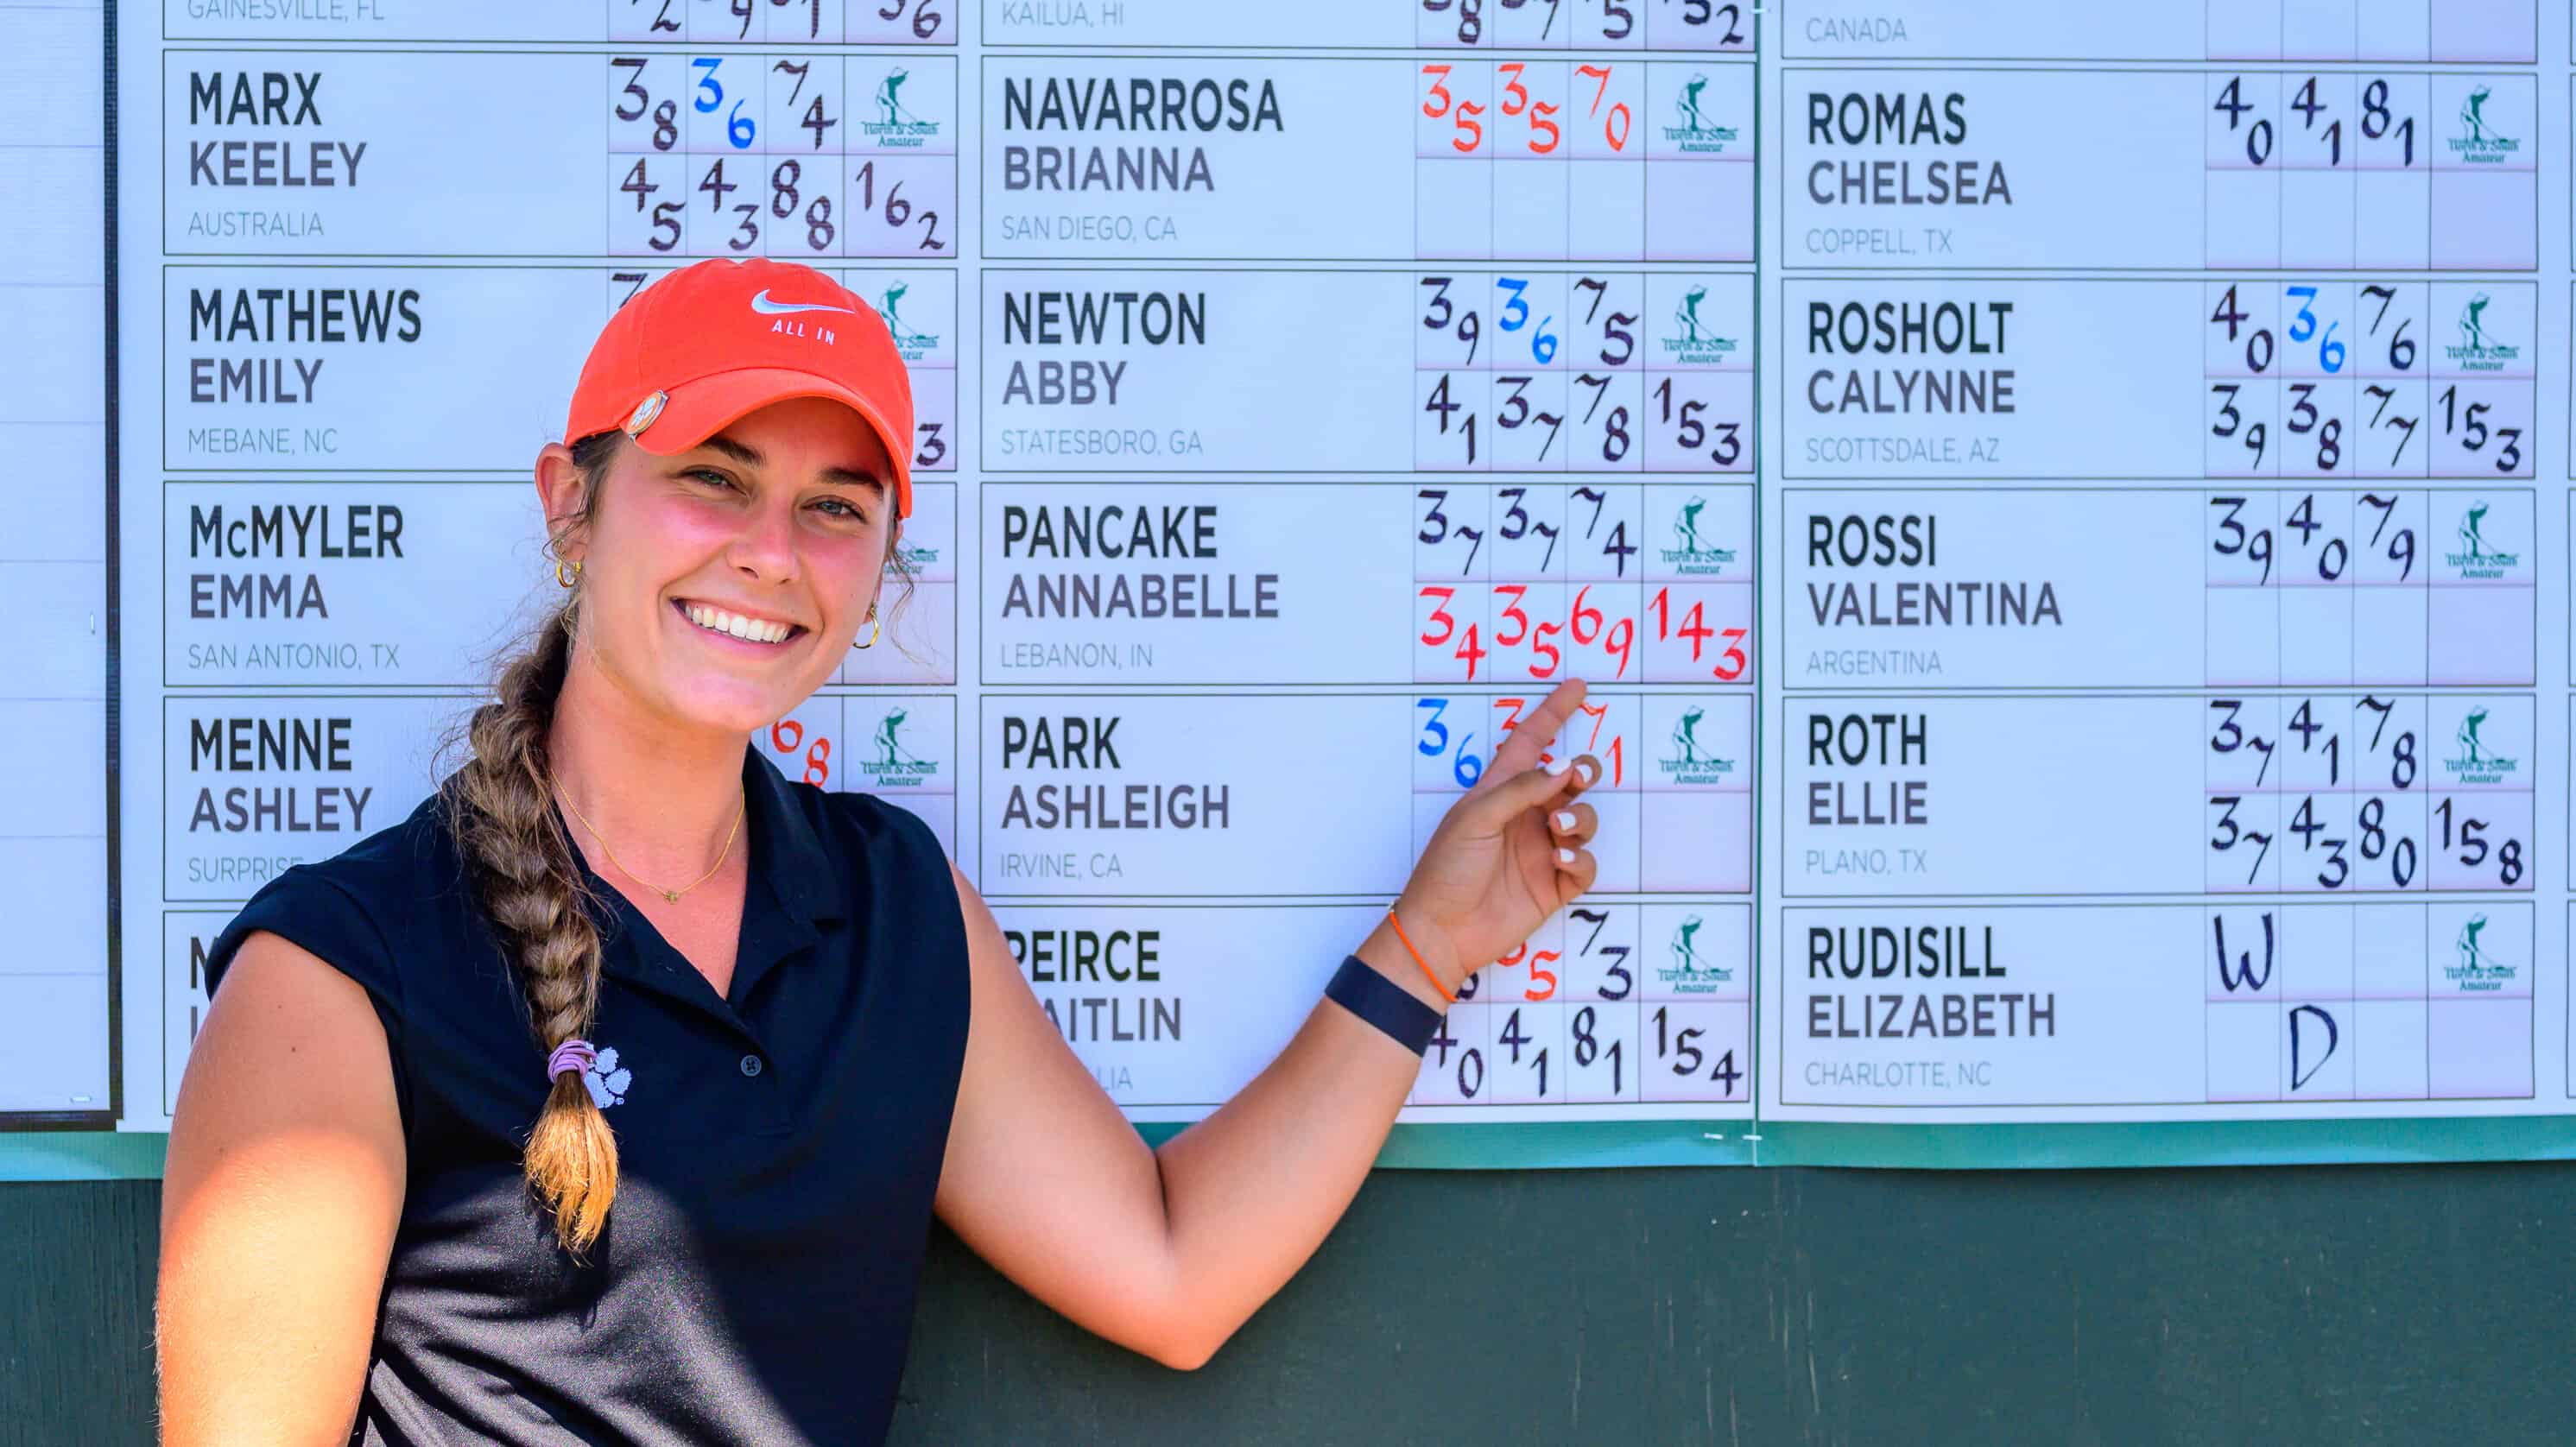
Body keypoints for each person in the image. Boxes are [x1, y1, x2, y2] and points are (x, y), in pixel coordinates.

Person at [156, 256, 1604, 1445]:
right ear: (570, 502)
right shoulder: (342, 967)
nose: (771, 552)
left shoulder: (893, 908)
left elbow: (1172, 1273)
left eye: (834, 508)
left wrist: (1423, 950)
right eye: (714, 479)